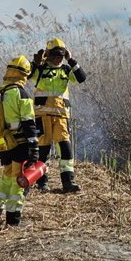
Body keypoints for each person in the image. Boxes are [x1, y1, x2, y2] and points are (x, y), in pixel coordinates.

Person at [0, 55, 39, 227]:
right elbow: (29, 123)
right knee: (19, 183)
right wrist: (34, 147)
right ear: (24, 74)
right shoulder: (21, 93)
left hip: (3, 144)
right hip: (20, 145)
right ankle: (13, 221)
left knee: (7, 179)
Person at [29, 38, 87, 193]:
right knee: (43, 149)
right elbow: (27, 76)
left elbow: (81, 78)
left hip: (61, 117)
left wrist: (71, 59)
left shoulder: (67, 70)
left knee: (65, 149)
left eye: (60, 56)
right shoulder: (40, 70)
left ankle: (68, 183)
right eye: (54, 55)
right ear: (48, 55)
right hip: (42, 116)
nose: (57, 59)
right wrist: (36, 63)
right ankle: (42, 182)